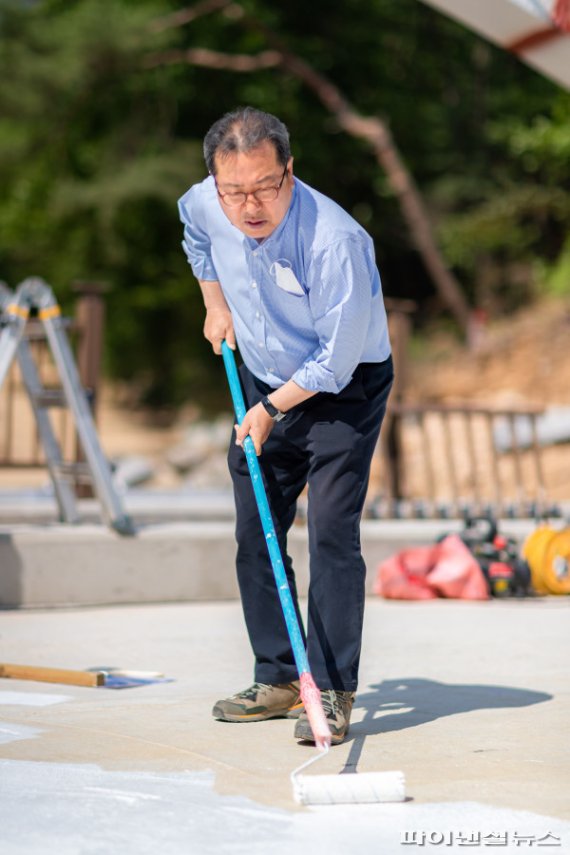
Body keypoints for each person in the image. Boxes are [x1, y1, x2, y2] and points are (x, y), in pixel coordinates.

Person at [178, 106, 393, 745]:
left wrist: (271, 411)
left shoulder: (335, 240)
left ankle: (328, 688)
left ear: (289, 172)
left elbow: (336, 359)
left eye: (264, 187)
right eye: (234, 191)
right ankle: (277, 676)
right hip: (260, 375)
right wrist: (215, 304)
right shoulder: (204, 203)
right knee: (257, 528)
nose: (249, 206)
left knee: (330, 532)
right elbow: (195, 237)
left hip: (340, 389)